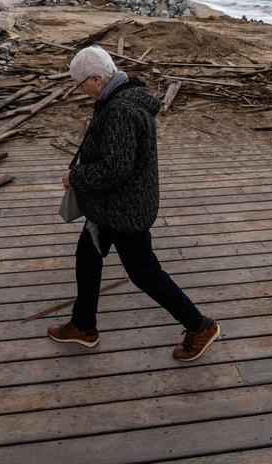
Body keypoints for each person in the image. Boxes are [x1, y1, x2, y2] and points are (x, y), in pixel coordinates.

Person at [49, 45, 220, 362]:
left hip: (124, 210)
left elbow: (116, 169)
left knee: (145, 274)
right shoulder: (120, 98)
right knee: (87, 257)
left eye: (80, 84)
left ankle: (200, 326)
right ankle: (83, 326)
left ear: (96, 78)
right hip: (111, 207)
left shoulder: (120, 111)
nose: (81, 91)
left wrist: (76, 178)